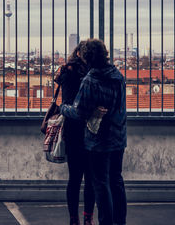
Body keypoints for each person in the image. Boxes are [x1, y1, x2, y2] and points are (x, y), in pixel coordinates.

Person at [59, 38, 127, 225]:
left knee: (101, 185)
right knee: (116, 182)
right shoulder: (118, 76)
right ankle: (120, 222)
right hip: (119, 138)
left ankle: (105, 222)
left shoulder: (90, 81)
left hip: (98, 141)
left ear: (87, 58)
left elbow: (79, 112)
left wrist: (62, 108)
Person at [54, 41, 98, 225]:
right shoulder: (94, 72)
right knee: (90, 178)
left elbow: (66, 101)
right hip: (91, 128)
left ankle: (74, 219)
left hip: (72, 128)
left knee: (74, 178)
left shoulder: (68, 71)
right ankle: (88, 218)